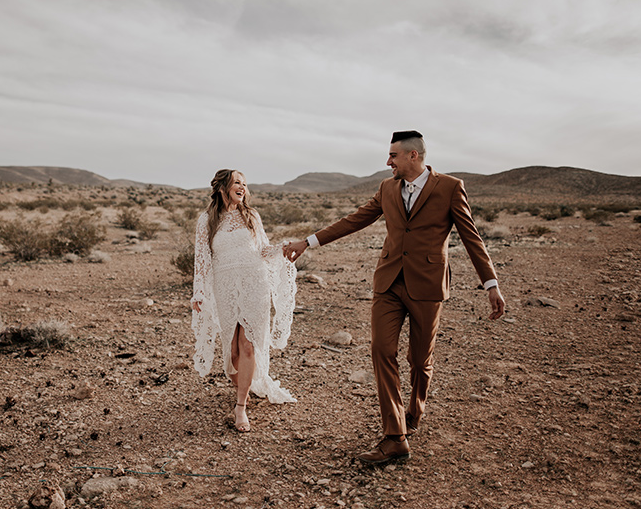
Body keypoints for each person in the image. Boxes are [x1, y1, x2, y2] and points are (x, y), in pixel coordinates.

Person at [283, 131, 505, 464]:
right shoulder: (387, 188)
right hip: (388, 283)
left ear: (413, 156)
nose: (388, 162)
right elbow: (355, 220)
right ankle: (394, 435)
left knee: (419, 360)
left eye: (393, 156)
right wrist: (308, 242)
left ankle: (415, 410)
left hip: (427, 286)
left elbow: (471, 237)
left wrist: (491, 284)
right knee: (381, 350)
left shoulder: (449, 187)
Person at [191, 169, 298, 433]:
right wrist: (199, 292)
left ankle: (241, 406)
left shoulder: (251, 216)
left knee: (248, 345)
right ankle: (243, 386)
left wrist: (281, 248)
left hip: (254, 282)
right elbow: (202, 260)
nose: (243, 187)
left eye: (245, 184)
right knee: (233, 351)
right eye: (237, 182)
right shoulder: (207, 220)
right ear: (222, 188)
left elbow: (262, 250)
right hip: (225, 285)